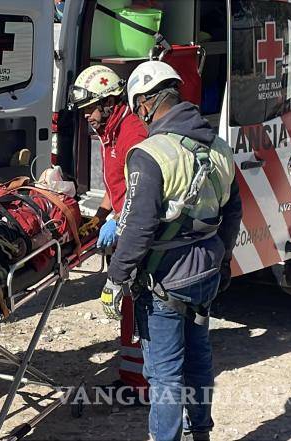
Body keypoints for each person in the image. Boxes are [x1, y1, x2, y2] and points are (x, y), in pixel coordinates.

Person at [105, 61, 242, 441]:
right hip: (206, 273)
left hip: (166, 281)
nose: (139, 117)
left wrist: (116, 278)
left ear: (147, 102)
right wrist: (224, 260)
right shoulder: (219, 148)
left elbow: (137, 228)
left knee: (164, 373)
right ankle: (200, 433)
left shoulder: (149, 154)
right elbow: (233, 211)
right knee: (198, 359)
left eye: (138, 108)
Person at [68, 65, 149, 401]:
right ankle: (132, 379)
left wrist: (120, 220)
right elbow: (115, 185)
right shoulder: (110, 133)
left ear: (111, 102)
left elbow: (140, 190)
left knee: (140, 309)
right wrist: (102, 215)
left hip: (139, 232)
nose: (88, 117)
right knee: (128, 310)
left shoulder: (133, 134)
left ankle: (145, 384)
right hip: (123, 224)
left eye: (91, 109)